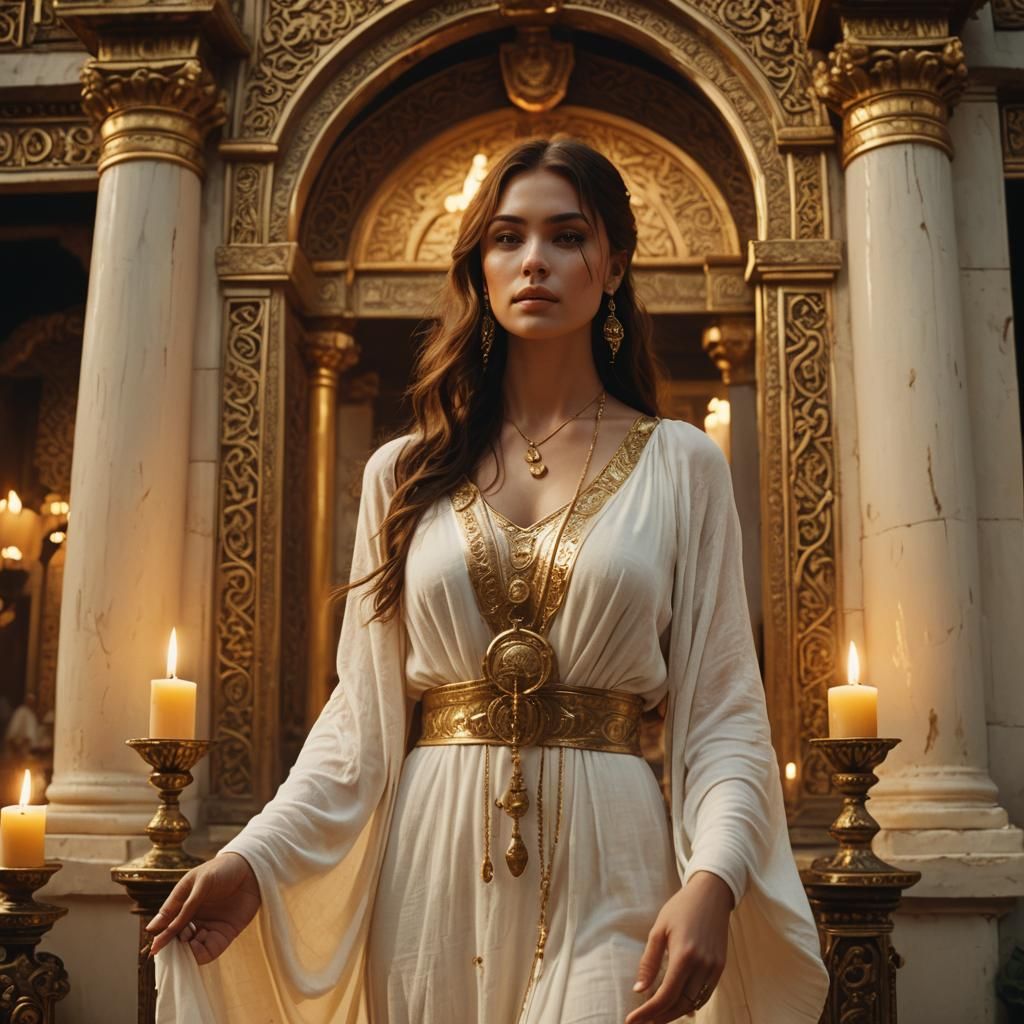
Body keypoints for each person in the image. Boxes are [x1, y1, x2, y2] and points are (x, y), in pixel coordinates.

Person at [146, 137, 829, 1023]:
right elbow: (358, 729)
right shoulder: (400, 474)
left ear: (613, 263)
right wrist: (254, 858)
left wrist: (716, 877)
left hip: (612, 851)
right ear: (480, 266)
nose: (534, 260)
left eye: (567, 236)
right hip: (432, 861)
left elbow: (724, 714)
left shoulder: (682, 464)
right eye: (507, 238)